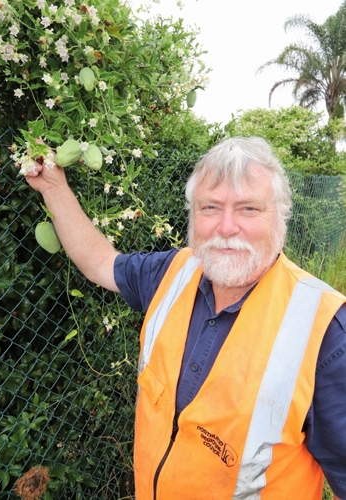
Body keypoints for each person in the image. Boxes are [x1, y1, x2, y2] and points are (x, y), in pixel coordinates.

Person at [25, 137, 346, 500]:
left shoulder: (326, 332)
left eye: (248, 209)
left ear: (281, 216)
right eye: (210, 207)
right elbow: (99, 262)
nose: (226, 227)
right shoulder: (172, 273)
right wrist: (54, 188)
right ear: (192, 215)